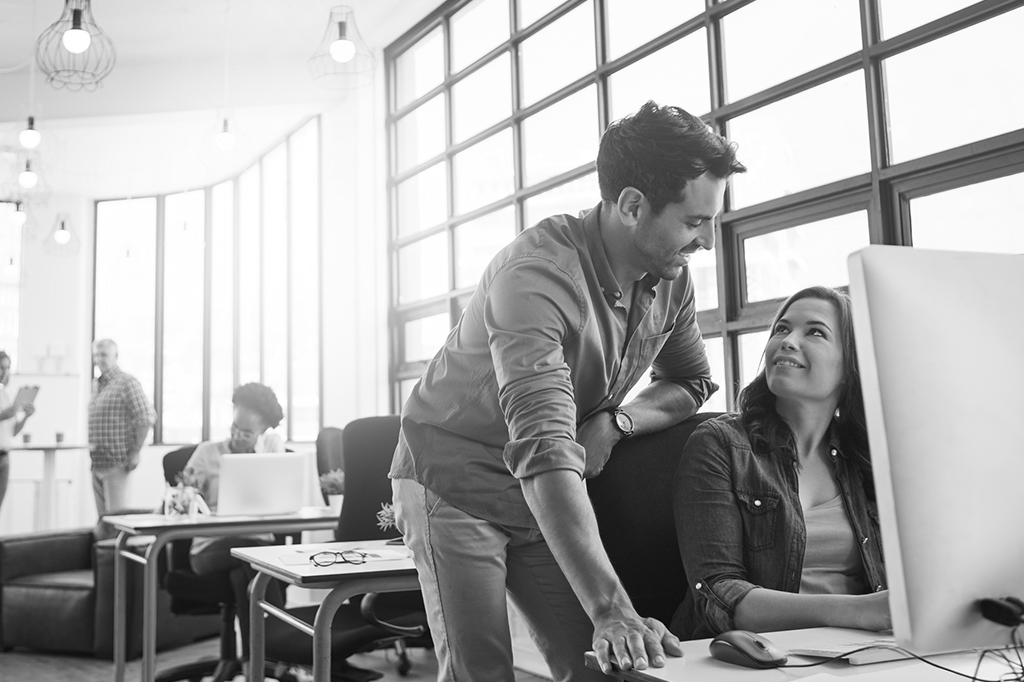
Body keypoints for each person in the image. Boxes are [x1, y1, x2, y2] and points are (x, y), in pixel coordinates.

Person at [390, 100, 746, 680]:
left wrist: (618, 422)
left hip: (546, 487)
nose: (706, 241)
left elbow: (690, 381)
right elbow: (546, 448)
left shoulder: (670, 279)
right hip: (453, 476)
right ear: (632, 206)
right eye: (693, 222)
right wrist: (612, 609)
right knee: (484, 672)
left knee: (604, 667)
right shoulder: (536, 276)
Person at [670, 286, 889, 640]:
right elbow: (718, 593)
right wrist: (859, 611)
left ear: (849, 368)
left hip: (859, 650)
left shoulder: (866, 458)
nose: (787, 341)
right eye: (782, 329)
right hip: (752, 655)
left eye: (815, 332)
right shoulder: (721, 444)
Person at [182, 382, 286, 666]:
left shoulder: (272, 450)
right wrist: (187, 495)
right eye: (234, 427)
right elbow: (180, 500)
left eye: (247, 432)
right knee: (255, 559)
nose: (238, 436)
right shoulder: (206, 453)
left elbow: (284, 498)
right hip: (210, 548)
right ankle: (283, 647)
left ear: (263, 429)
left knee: (243, 577)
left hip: (257, 546)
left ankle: (254, 662)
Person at [88, 339, 155, 536]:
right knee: (103, 524)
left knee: (117, 523)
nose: (99, 359)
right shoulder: (96, 385)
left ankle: (117, 557)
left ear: (115, 356)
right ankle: (104, 556)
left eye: (104, 355)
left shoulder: (127, 382)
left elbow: (146, 417)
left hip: (117, 464)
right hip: (97, 464)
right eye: (96, 355)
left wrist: (135, 452)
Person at [0, 351, 35, 512]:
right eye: (1, 367)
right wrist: (2, 415)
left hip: (4, 458)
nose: (5, 372)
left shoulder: (5, 394)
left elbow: (13, 431)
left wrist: (26, 416)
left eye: (7, 368)